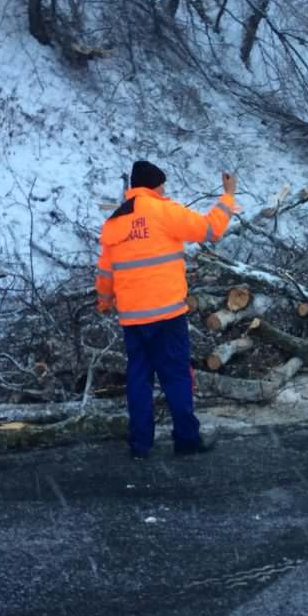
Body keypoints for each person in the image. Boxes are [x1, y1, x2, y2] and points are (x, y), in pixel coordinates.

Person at [95, 160, 238, 459]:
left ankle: (140, 444)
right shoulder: (164, 211)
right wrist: (228, 196)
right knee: (176, 376)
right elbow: (210, 229)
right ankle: (186, 440)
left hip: (132, 318)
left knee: (138, 378)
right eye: (162, 185)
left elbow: (106, 272)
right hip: (167, 314)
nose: (165, 189)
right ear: (155, 185)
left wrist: (105, 301)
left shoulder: (115, 222)